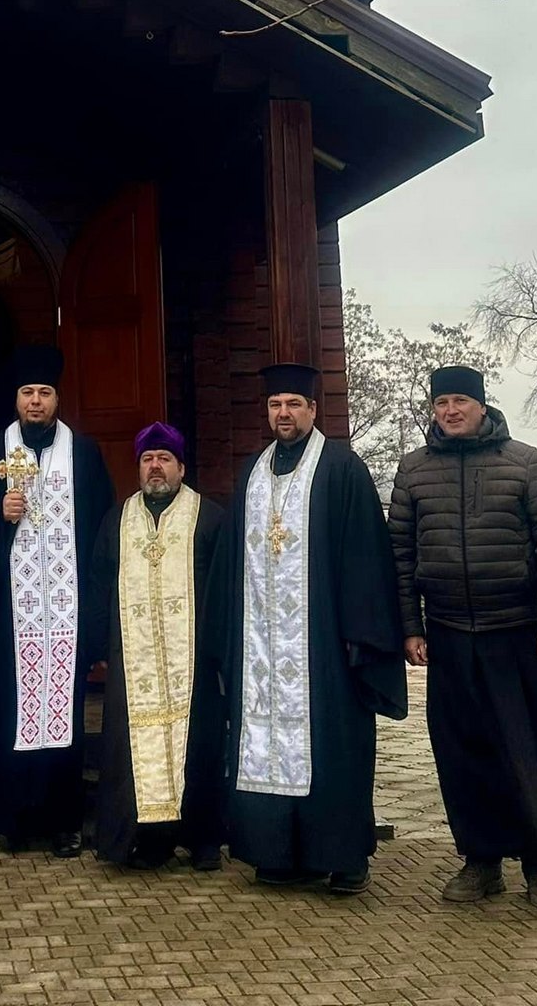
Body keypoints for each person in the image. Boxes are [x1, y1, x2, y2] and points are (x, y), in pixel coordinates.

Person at [205, 363, 406, 895]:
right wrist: (226, 639)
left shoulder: (341, 468)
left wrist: (359, 636)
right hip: (261, 650)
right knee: (262, 744)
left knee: (334, 747)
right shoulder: (252, 473)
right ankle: (277, 852)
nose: (284, 413)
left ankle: (343, 857)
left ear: (313, 410)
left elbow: (365, 554)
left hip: (325, 647)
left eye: (293, 404)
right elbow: (230, 566)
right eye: (275, 405)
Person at [389, 365, 537, 910]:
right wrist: (410, 627)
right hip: (449, 636)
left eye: (460, 402)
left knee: (534, 750)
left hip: (516, 634)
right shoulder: (413, 470)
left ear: (481, 405)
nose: (450, 411)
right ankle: (481, 862)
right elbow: (400, 558)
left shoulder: (522, 462)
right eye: (441, 402)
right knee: (464, 755)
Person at [0, 345, 114, 857]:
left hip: (67, 613)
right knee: (11, 710)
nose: (35, 402)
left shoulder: (85, 454)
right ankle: (12, 818)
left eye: (44, 393)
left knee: (64, 718)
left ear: (57, 399)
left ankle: (63, 822)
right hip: (11, 614)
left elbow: (101, 534)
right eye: (27, 393)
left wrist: (95, 614)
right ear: (16, 399)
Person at [88, 423, 226, 870]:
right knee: (131, 751)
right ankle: (146, 840)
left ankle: (202, 839)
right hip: (134, 659)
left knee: (199, 747)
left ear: (181, 468)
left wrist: (220, 649)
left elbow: (224, 590)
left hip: (193, 662)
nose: (155, 467)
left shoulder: (209, 517)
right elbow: (98, 582)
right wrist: (98, 644)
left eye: (164, 459)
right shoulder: (118, 519)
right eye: (148, 459)